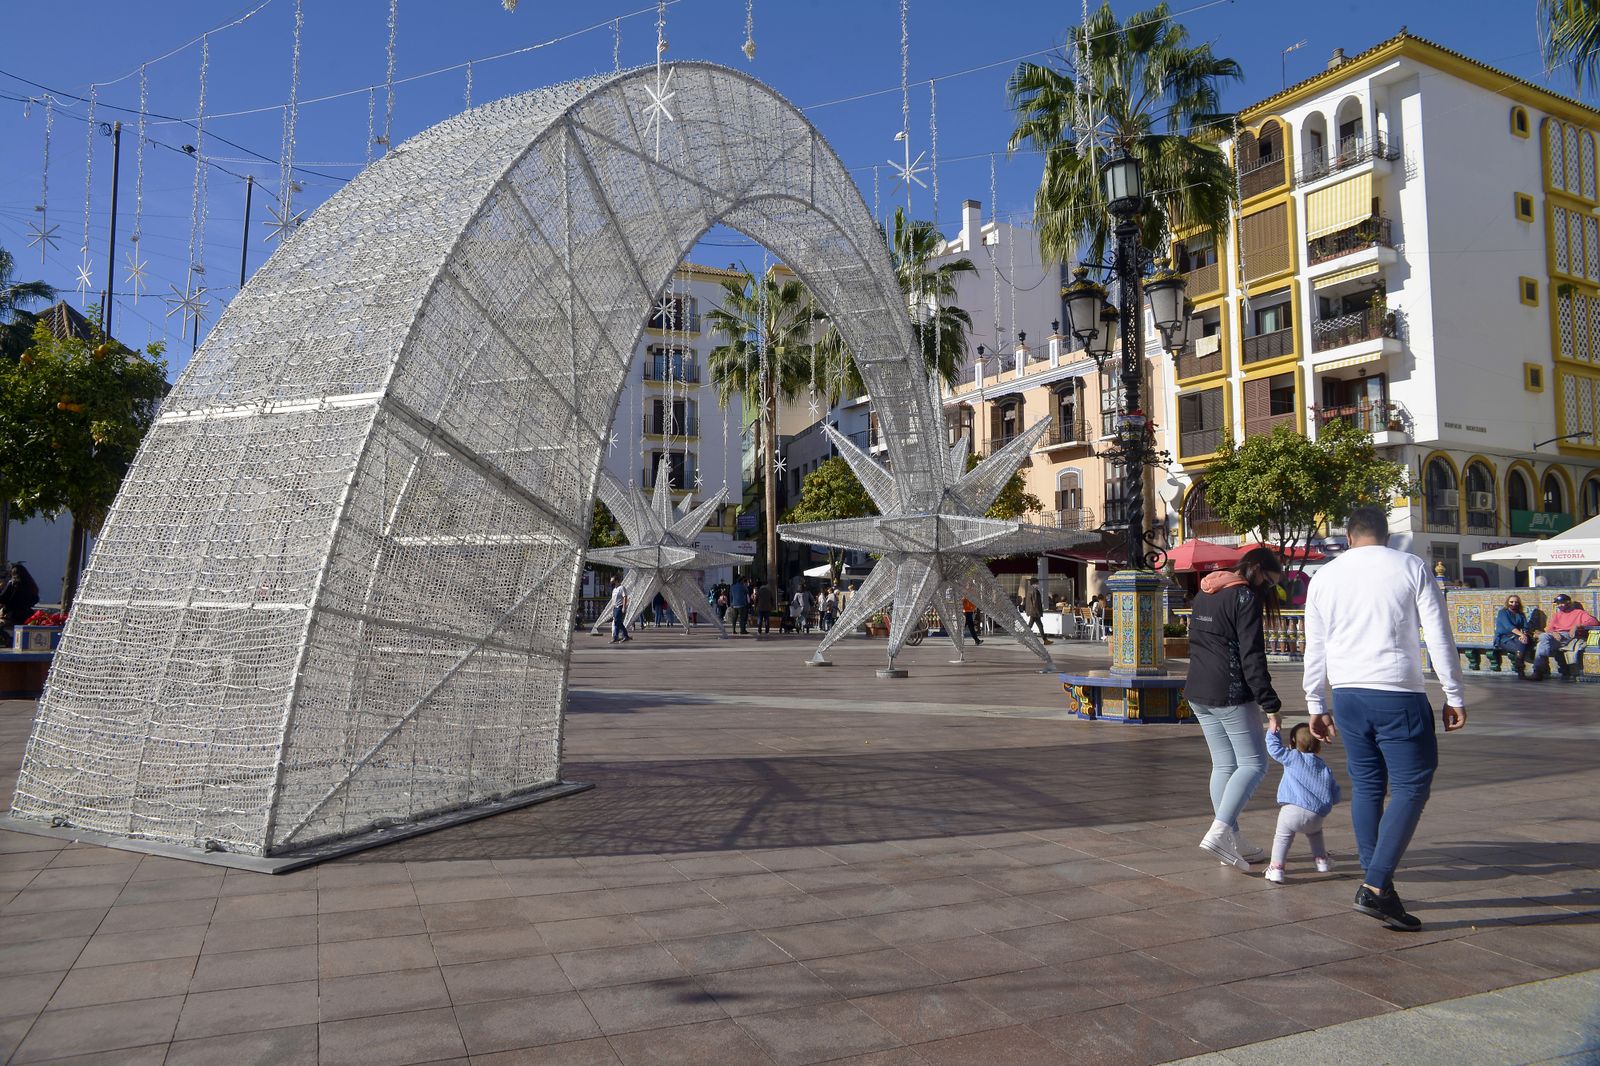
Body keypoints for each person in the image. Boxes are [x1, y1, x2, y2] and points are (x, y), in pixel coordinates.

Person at [1303, 505, 1465, 932]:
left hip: (1349, 695)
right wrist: (1453, 693)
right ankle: (1375, 885)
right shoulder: (1410, 566)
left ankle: (1380, 886)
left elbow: (1314, 646)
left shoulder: (1324, 577)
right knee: (1412, 786)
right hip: (1397, 692)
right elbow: (1438, 633)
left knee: (1369, 786)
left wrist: (1316, 703)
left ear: (1349, 536)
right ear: (1386, 535)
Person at [1185, 546, 1284, 871]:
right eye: (1268, 582)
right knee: (1254, 764)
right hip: (1229, 691)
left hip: (1198, 690)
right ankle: (1219, 832)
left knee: (1224, 765)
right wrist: (1270, 706)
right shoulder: (1244, 598)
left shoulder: (1205, 593)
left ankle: (1232, 838)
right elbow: (1252, 656)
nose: (1267, 589)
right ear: (1255, 569)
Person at [1263, 720, 1342, 884]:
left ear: (1292, 743)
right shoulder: (1325, 768)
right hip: (1316, 815)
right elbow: (1335, 792)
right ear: (1318, 746)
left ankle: (1277, 868)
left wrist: (1273, 731)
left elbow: (1274, 749)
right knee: (1315, 834)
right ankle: (1321, 861)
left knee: (1282, 838)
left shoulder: (1292, 757)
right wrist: (1332, 800)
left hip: (1291, 810)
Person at [1532, 593, 1598, 681]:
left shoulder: (1579, 613)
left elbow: (1594, 622)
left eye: (1561, 603)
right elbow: (1549, 629)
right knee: (1542, 641)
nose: (1559, 605)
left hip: (1567, 635)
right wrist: (1554, 632)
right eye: (1558, 603)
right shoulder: (1557, 615)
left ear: (1568, 602)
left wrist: (1577, 626)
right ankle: (1539, 669)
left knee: (1542, 639)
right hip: (1555, 637)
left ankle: (1538, 670)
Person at [0, 563, 40, 647]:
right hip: (28, 614)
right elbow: (36, 599)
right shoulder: (31, 584)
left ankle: (7, 640)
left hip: (12, 615)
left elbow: (3, 598)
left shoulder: (12, 584)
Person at [1494, 594, 1533, 679]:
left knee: (1521, 643)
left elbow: (1525, 626)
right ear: (1507, 602)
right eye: (1511, 602)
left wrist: (1524, 635)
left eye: (1516, 602)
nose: (1514, 604)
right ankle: (1520, 670)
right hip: (1504, 638)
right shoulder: (1503, 612)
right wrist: (1521, 634)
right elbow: (1508, 626)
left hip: (1517, 637)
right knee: (1521, 647)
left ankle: (1520, 670)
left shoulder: (1521, 614)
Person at [1023, 581, 1053, 645]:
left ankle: (1045, 640)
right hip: (1035, 612)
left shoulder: (1030, 590)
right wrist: (1037, 612)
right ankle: (1045, 640)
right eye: (1037, 583)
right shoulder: (1035, 591)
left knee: (1035, 625)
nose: (1038, 585)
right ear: (1034, 584)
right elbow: (1035, 602)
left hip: (1032, 611)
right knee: (1037, 626)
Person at [604, 578, 631, 643]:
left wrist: (624, 607)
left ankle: (620, 636)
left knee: (617, 622)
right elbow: (613, 599)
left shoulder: (621, 588)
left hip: (620, 606)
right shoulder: (614, 589)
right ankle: (620, 637)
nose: (611, 583)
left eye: (612, 581)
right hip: (615, 607)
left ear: (616, 581)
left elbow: (625, 597)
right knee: (618, 622)